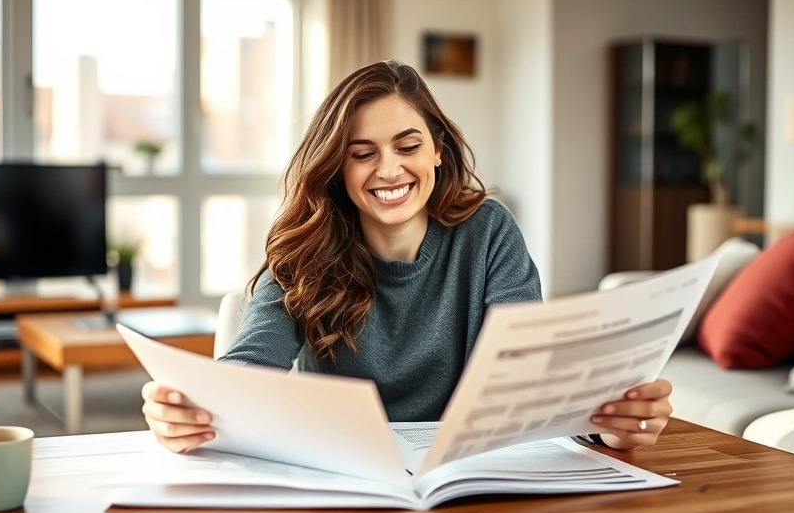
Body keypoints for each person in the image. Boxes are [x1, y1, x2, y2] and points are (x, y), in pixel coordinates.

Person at [141, 60, 673, 454]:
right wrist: (188, 412)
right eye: (362, 153)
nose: (389, 170)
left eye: (408, 145)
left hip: (468, 476)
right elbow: (248, 370)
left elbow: (532, 383)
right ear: (337, 169)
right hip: (344, 476)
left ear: (438, 150)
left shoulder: (489, 231)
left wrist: (604, 421)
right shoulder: (303, 247)